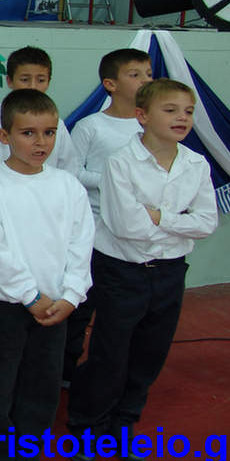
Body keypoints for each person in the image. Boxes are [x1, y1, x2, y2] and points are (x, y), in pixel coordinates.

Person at [67, 79, 218, 461]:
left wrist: (159, 217)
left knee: (150, 353)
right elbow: (126, 227)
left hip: (170, 271)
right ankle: (88, 425)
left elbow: (207, 222)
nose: (182, 117)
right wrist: (178, 222)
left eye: (188, 111)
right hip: (122, 271)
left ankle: (124, 423)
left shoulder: (196, 164)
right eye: (170, 110)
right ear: (142, 116)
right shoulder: (120, 162)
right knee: (110, 353)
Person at [0, 89, 94, 461]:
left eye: (49, 132)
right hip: (2, 306)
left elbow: (81, 243)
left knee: (42, 385)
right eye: (28, 133)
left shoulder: (68, 186)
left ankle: (27, 453)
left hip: (55, 307)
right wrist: (30, 295)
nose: (41, 143)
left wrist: (71, 295)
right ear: (4, 136)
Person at [63, 49, 153, 385]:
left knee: (120, 311)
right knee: (81, 303)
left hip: (134, 233)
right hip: (94, 229)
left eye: (148, 73)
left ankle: (109, 370)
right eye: (135, 74)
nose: (145, 80)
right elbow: (71, 173)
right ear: (110, 84)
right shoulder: (91, 126)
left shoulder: (151, 126)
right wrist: (114, 181)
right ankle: (65, 367)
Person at [0, 46, 79, 176]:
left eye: (41, 80)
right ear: (9, 81)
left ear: (48, 82)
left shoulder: (56, 123)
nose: (32, 86)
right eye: (25, 80)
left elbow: (69, 170)